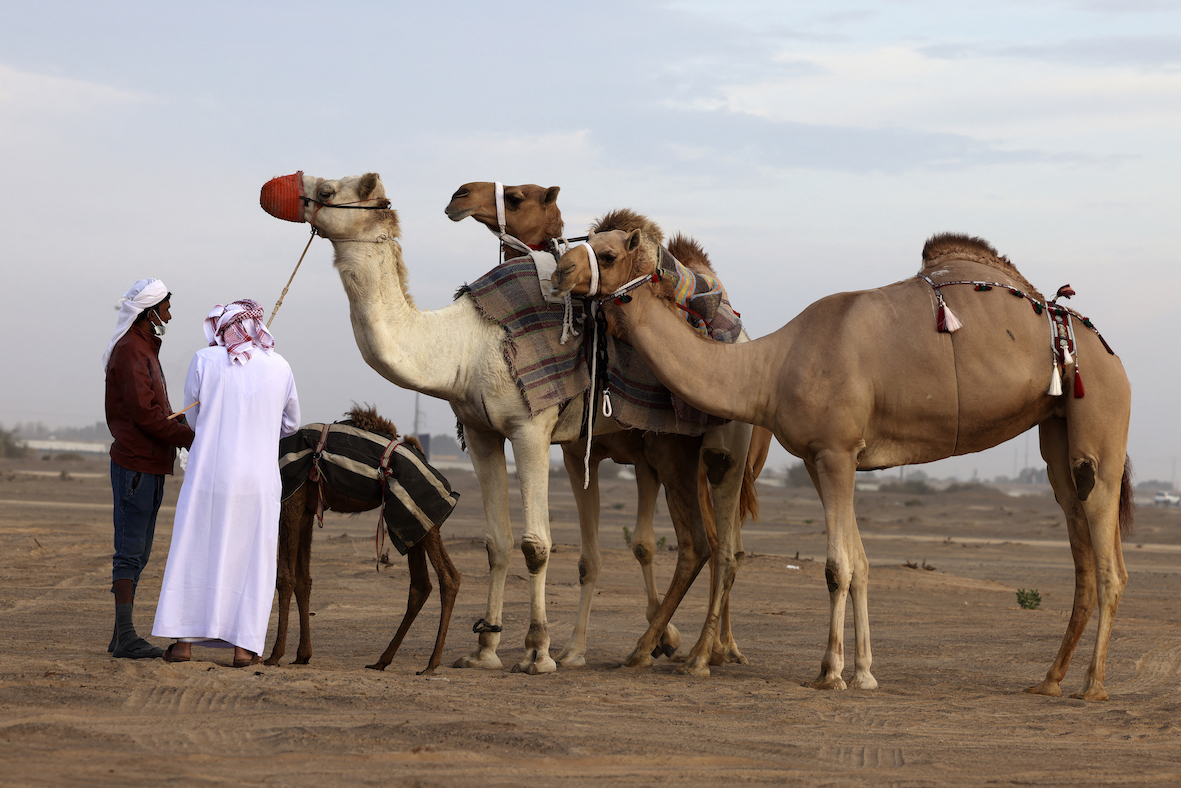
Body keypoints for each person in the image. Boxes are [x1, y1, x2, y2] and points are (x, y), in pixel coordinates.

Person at [152, 299, 300, 666]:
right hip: (259, 480)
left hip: (210, 476)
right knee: (252, 558)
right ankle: (243, 647)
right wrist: (261, 428)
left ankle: (184, 643)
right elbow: (292, 424)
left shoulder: (204, 360)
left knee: (196, 550)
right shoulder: (280, 366)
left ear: (223, 326)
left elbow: (194, 418)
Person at [103, 278, 196, 659]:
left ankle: (120, 635)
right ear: (149, 312)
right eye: (167, 308)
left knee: (138, 552)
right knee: (129, 551)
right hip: (136, 465)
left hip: (150, 465)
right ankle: (125, 636)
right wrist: (191, 438)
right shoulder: (130, 351)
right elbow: (144, 414)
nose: (170, 315)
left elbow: (154, 411)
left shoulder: (144, 349)